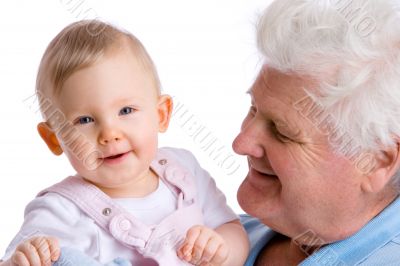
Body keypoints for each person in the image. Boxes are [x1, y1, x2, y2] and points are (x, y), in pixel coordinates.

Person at [0, 20, 249, 266]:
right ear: (54, 139)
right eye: (85, 120)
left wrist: (221, 251)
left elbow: (232, 229)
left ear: (161, 114)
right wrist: (22, 259)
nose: (109, 133)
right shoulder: (58, 211)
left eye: (126, 110)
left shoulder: (184, 171)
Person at [234, 0, 400, 265]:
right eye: (254, 110)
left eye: (283, 133)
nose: (240, 143)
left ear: (378, 160)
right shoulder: (217, 234)